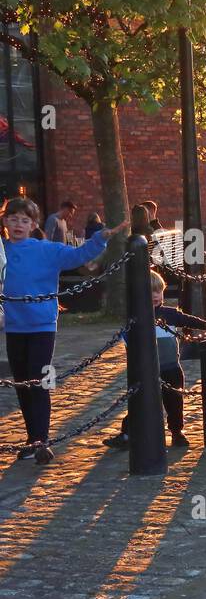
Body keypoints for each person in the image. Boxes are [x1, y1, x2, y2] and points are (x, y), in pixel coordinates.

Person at [1, 197, 127, 464]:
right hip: (13, 326)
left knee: (39, 380)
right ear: (5, 222)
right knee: (22, 383)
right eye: (13, 219)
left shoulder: (45, 250)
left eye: (24, 220)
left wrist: (100, 239)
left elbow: (76, 256)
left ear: (34, 224)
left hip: (42, 326)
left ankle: (42, 440)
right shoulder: (2, 252)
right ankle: (31, 437)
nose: (18, 225)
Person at [103, 269, 206, 451]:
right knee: (140, 402)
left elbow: (186, 320)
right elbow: (128, 340)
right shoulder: (135, 317)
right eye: (151, 292)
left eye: (159, 291)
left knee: (174, 402)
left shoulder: (169, 313)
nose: (156, 295)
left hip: (170, 366)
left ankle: (177, 432)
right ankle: (127, 434)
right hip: (147, 369)